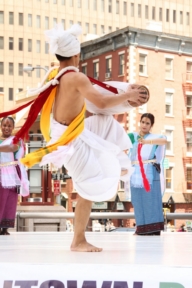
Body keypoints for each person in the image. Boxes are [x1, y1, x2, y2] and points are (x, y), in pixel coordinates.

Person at [1, 24, 149, 250]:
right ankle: (78, 240)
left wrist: (126, 95)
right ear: (76, 54)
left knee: (103, 121)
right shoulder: (76, 78)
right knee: (89, 188)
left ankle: (116, 162)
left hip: (73, 132)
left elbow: (96, 104)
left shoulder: (55, 75)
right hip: (69, 142)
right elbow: (99, 102)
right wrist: (128, 95)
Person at [128, 113, 167, 236]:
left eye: (147, 123)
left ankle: (154, 230)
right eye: (143, 122)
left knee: (151, 200)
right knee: (137, 200)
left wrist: (146, 141)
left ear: (151, 125)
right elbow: (121, 144)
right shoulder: (132, 136)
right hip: (135, 172)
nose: (144, 125)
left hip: (150, 171)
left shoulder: (156, 137)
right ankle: (140, 228)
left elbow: (164, 141)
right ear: (139, 122)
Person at [0, 117, 29, 235]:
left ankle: (5, 227)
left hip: (13, 173)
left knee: (10, 199)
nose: (6, 128)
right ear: (1, 126)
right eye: (4, 125)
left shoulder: (17, 140)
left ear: (13, 127)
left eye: (9, 126)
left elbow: (12, 148)